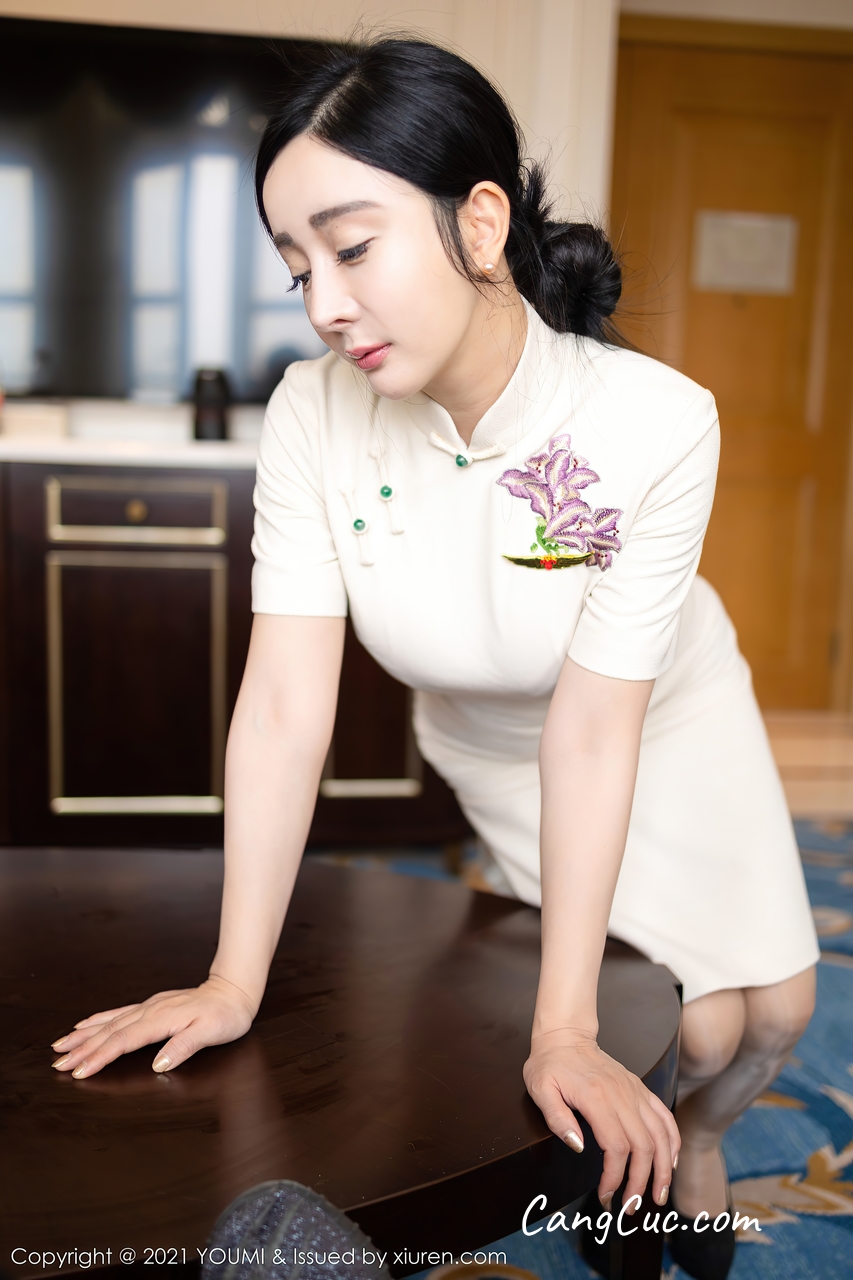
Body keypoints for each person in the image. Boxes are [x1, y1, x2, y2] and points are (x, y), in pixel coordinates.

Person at [49, 38, 819, 1280]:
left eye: (351, 249)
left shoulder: (657, 421)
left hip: (664, 717)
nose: (321, 304)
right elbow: (283, 705)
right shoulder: (311, 412)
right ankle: (656, 1151)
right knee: (698, 1019)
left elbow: (596, 725)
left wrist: (561, 1025)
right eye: (297, 267)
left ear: (480, 223)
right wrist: (232, 980)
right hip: (497, 744)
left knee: (773, 1011)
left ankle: (708, 1136)